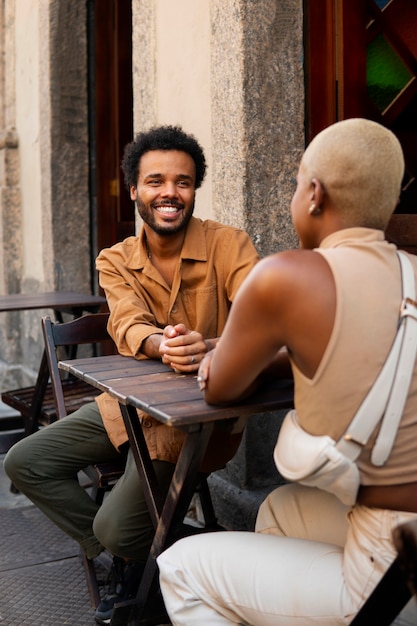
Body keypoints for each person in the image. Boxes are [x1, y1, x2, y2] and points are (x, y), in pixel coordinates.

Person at [157, 118, 417, 625]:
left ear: (315, 194)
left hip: (391, 573)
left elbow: (218, 387)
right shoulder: (411, 269)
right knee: (280, 507)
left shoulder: (288, 275)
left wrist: (221, 354)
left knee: (179, 567)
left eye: (297, 184)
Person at [4, 125, 259, 625]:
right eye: (157, 181)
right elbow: (125, 320)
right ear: (135, 189)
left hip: (196, 421)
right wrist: (161, 342)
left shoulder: (230, 245)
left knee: (120, 526)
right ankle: (140, 561)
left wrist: (207, 345)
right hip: (128, 407)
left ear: (194, 190)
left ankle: (135, 555)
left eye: (183, 182)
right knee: (24, 462)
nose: (170, 192)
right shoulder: (116, 258)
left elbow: (262, 320)